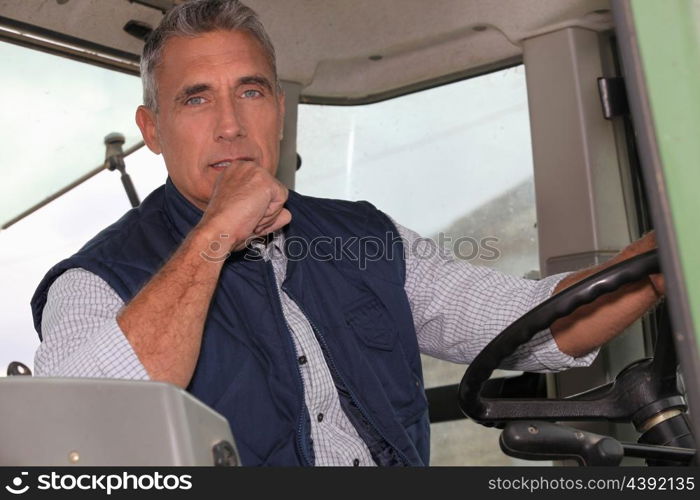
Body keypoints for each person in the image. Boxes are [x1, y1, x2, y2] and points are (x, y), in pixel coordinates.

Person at [30, 0, 663, 466]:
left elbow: (532, 323)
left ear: (276, 109)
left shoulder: (366, 235)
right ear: (152, 128)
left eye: (249, 92)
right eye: (196, 99)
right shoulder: (94, 281)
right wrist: (216, 232)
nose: (229, 124)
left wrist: (666, 259)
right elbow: (81, 429)